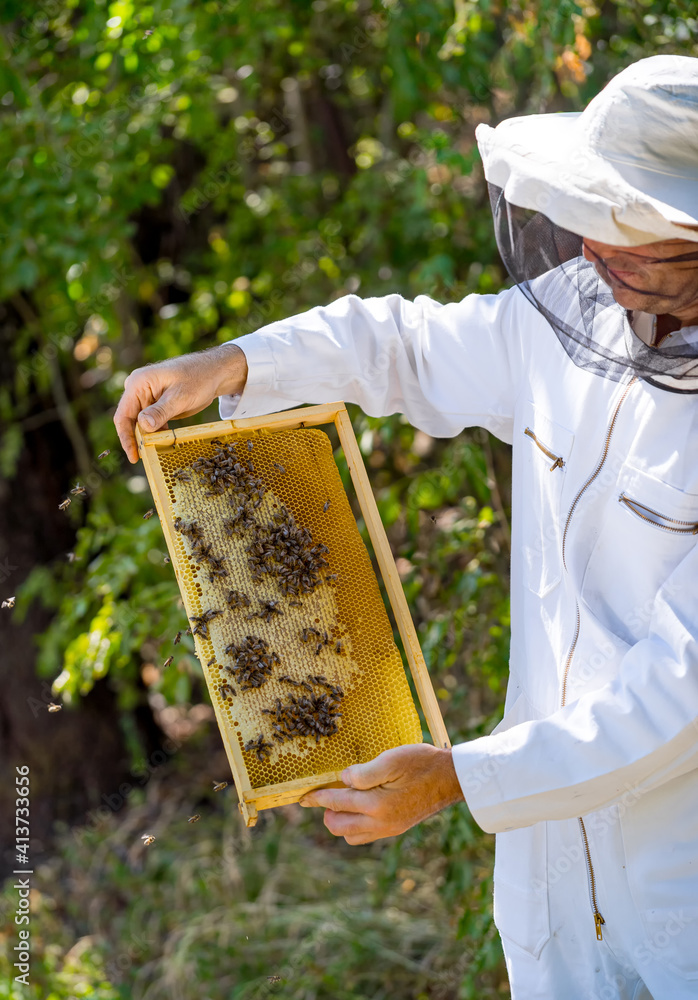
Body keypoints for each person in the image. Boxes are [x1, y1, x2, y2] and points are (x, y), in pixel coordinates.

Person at [115, 55, 698, 999]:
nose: (591, 250)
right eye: (591, 218)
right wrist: (235, 363)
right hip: (551, 884)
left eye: (624, 229)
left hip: (683, 883)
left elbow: (677, 696)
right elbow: (407, 344)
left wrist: (462, 777)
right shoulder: (572, 315)